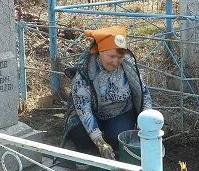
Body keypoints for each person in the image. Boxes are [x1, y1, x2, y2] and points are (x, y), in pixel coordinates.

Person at [63, 26, 152, 159]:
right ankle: (87, 151)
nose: (116, 62)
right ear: (100, 51)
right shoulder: (84, 73)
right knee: (79, 133)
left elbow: (143, 92)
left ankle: (113, 146)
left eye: (120, 57)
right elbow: (84, 109)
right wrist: (99, 141)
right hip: (92, 113)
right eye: (111, 56)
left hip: (120, 112)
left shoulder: (129, 67)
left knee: (121, 137)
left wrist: (146, 121)